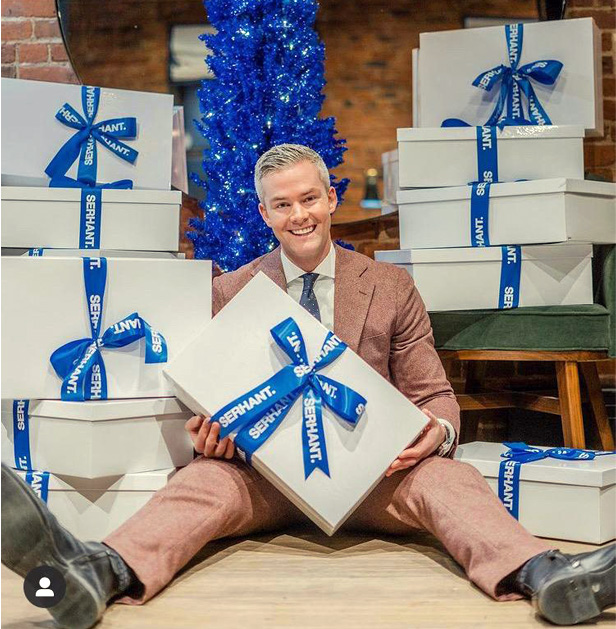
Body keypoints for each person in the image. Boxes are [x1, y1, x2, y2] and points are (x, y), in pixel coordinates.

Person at [2, 144, 614, 629]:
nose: (299, 216)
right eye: (282, 205)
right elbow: (205, 402)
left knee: (453, 480)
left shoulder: (390, 286)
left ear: (330, 198)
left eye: (309, 199)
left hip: (377, 478)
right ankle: (97, 572)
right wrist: (207, 436)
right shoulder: (227, 292)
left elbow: (434, 396)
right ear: (264, 213)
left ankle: (546, 575)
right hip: (261, 478)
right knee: (198, 486)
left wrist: (437, 432)